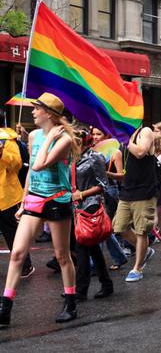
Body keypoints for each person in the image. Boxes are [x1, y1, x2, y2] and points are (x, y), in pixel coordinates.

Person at [0, 93, 79, 326]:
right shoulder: (34, 135)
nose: (32, 112)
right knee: (16, 253)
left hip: (57, 200)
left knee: (62, 256)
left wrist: (48, 139)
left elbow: (39, 164)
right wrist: (24, 202)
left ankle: (70, 302)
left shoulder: (64, 139)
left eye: (37, 108)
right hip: (35, 198)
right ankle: (5, 307)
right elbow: (32, 174)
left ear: (49, 114)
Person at [112, 126, 157, 282]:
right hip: (127, 190)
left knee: (141, 231)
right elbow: (124, 170)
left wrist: (125, 140)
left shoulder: (144, 131)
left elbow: (140, 152)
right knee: (119, 227)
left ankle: (137, 268)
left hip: (144, 191)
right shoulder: (124, 137)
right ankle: (145, 250)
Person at [73, 129, 113, 300]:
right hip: (75, 207)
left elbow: (103, 184)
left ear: (81, 141)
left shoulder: (94, 157)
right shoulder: (70, 158)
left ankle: (80, 291)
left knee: (81, 246)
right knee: (92, 247)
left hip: (90, 205)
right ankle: (106, 283)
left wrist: (82, 194)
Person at [91, 127, 128, 271]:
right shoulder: (92, 151)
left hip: (110, 191)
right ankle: (119, 256)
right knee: (103, 227)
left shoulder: (115, 152)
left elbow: (121, 176)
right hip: (93, 190)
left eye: (98, 134)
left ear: (106, 135)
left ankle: (95, 264)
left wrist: (106, 173)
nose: (95, 137)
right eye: (93, 134)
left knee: (100, 225)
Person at [0, 128, 34, 279]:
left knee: (12, 233)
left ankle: (25, 265)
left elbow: (16, 164)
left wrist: (2, 153)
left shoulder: (7, 139)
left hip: (6, 195)